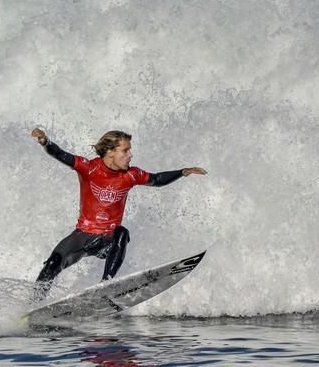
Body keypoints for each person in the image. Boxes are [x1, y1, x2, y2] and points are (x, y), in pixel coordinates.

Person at [30, 128, 207, 301]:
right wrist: (45, 141)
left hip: (107, 240)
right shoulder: (88, 168)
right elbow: (60, 154)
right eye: (125, 150)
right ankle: (31, 307)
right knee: (52, 264)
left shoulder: (132, 175)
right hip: (82, 236)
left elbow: (157, 179)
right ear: (110, 152)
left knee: (122, 232)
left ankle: (106, 284)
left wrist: (182, 172)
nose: (130, 155)